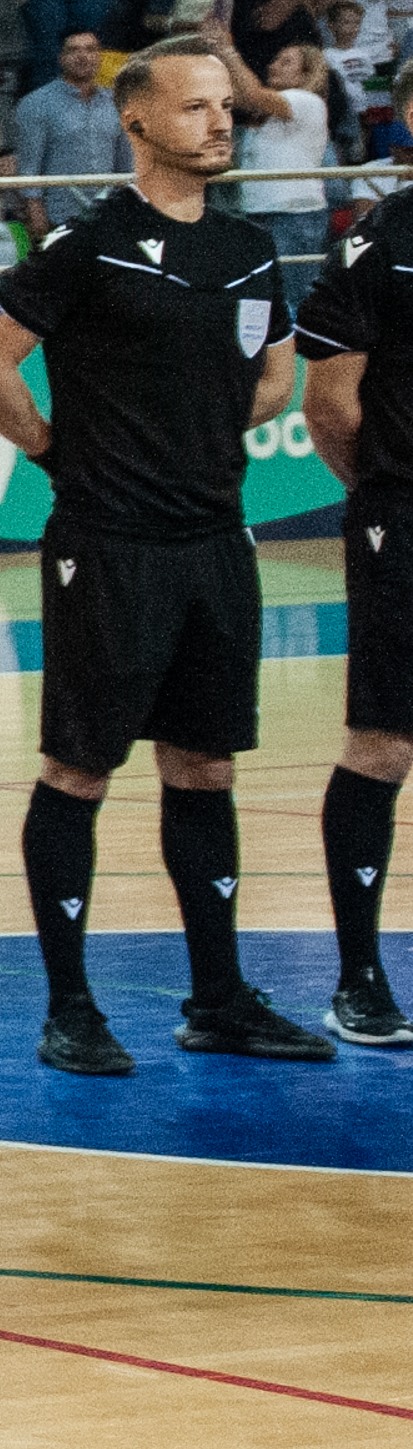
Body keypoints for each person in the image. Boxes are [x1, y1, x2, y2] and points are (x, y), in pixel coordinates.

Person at [0, 40, 342, 1073]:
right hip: (106, 544)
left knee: (202, 765)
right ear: (136, 123)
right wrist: (53, 451)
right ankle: (68, 1007)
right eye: (196, 108)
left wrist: (201, 427)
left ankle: (216, 997)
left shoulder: (249, 246)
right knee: (77, 769)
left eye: (224, 107)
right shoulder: (89, 244)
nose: (219, 122)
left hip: (213, 540)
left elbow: (271, 378)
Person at [276, 191, 413, 1051]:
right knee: (385, 741)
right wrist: (384, 490)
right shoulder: (379, 239)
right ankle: (358, 979)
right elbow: (328, 405)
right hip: (402, 511)